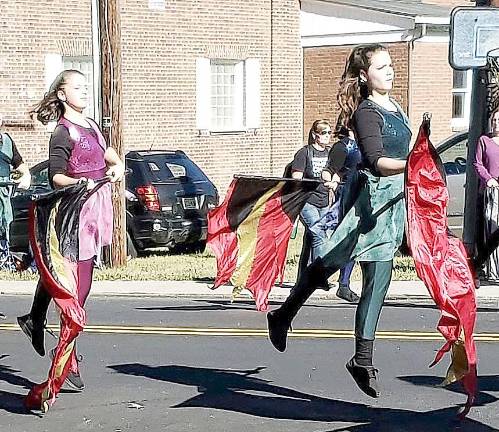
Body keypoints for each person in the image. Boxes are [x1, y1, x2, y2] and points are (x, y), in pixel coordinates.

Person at [267, 44, 411, 399]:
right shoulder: (366, 112)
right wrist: (414, 165)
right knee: (330, 264)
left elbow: (405, 153)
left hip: (391, 204)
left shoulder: (397, 108)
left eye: (390, 65)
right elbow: (377, 160)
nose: (390, 71)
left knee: (378, 275)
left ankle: (361, 359)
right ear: (365, 75)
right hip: (367, 200)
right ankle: (283, 315)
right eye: (382, 67)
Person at [16, 69, 125, 408]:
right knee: (74, 294)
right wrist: (81, 183)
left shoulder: (90, 125)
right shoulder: (62, 134)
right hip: (72, 215)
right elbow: (56, 176)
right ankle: (64, 364)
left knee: (79, 289)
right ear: (62, 95)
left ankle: (36, 319)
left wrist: (117, 165)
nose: (84, 91)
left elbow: (108, 154)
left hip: (96, 212)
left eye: (85, 86)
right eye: (77, 87)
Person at [318, 125, 362, 301]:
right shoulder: (343, 146)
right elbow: (330, 170)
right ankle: (341, 283)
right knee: (348, 239)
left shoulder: (365, 143)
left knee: (359, 241)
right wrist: (330, 180)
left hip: (365, 193)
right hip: (348, 194)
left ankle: (345, 283)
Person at [0, 114, 32, 271]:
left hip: (4, 195)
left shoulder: (6, 141)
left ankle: (6, 259)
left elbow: (20, 165)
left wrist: (26, 177)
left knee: (6, 225)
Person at [474, 106, 499, 281]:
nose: (496, 123)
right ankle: (488, 268)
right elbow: (478, 164)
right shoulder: (484, 140)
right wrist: (488, 179)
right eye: (494, 120)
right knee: (490, 230)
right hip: (490, 192)